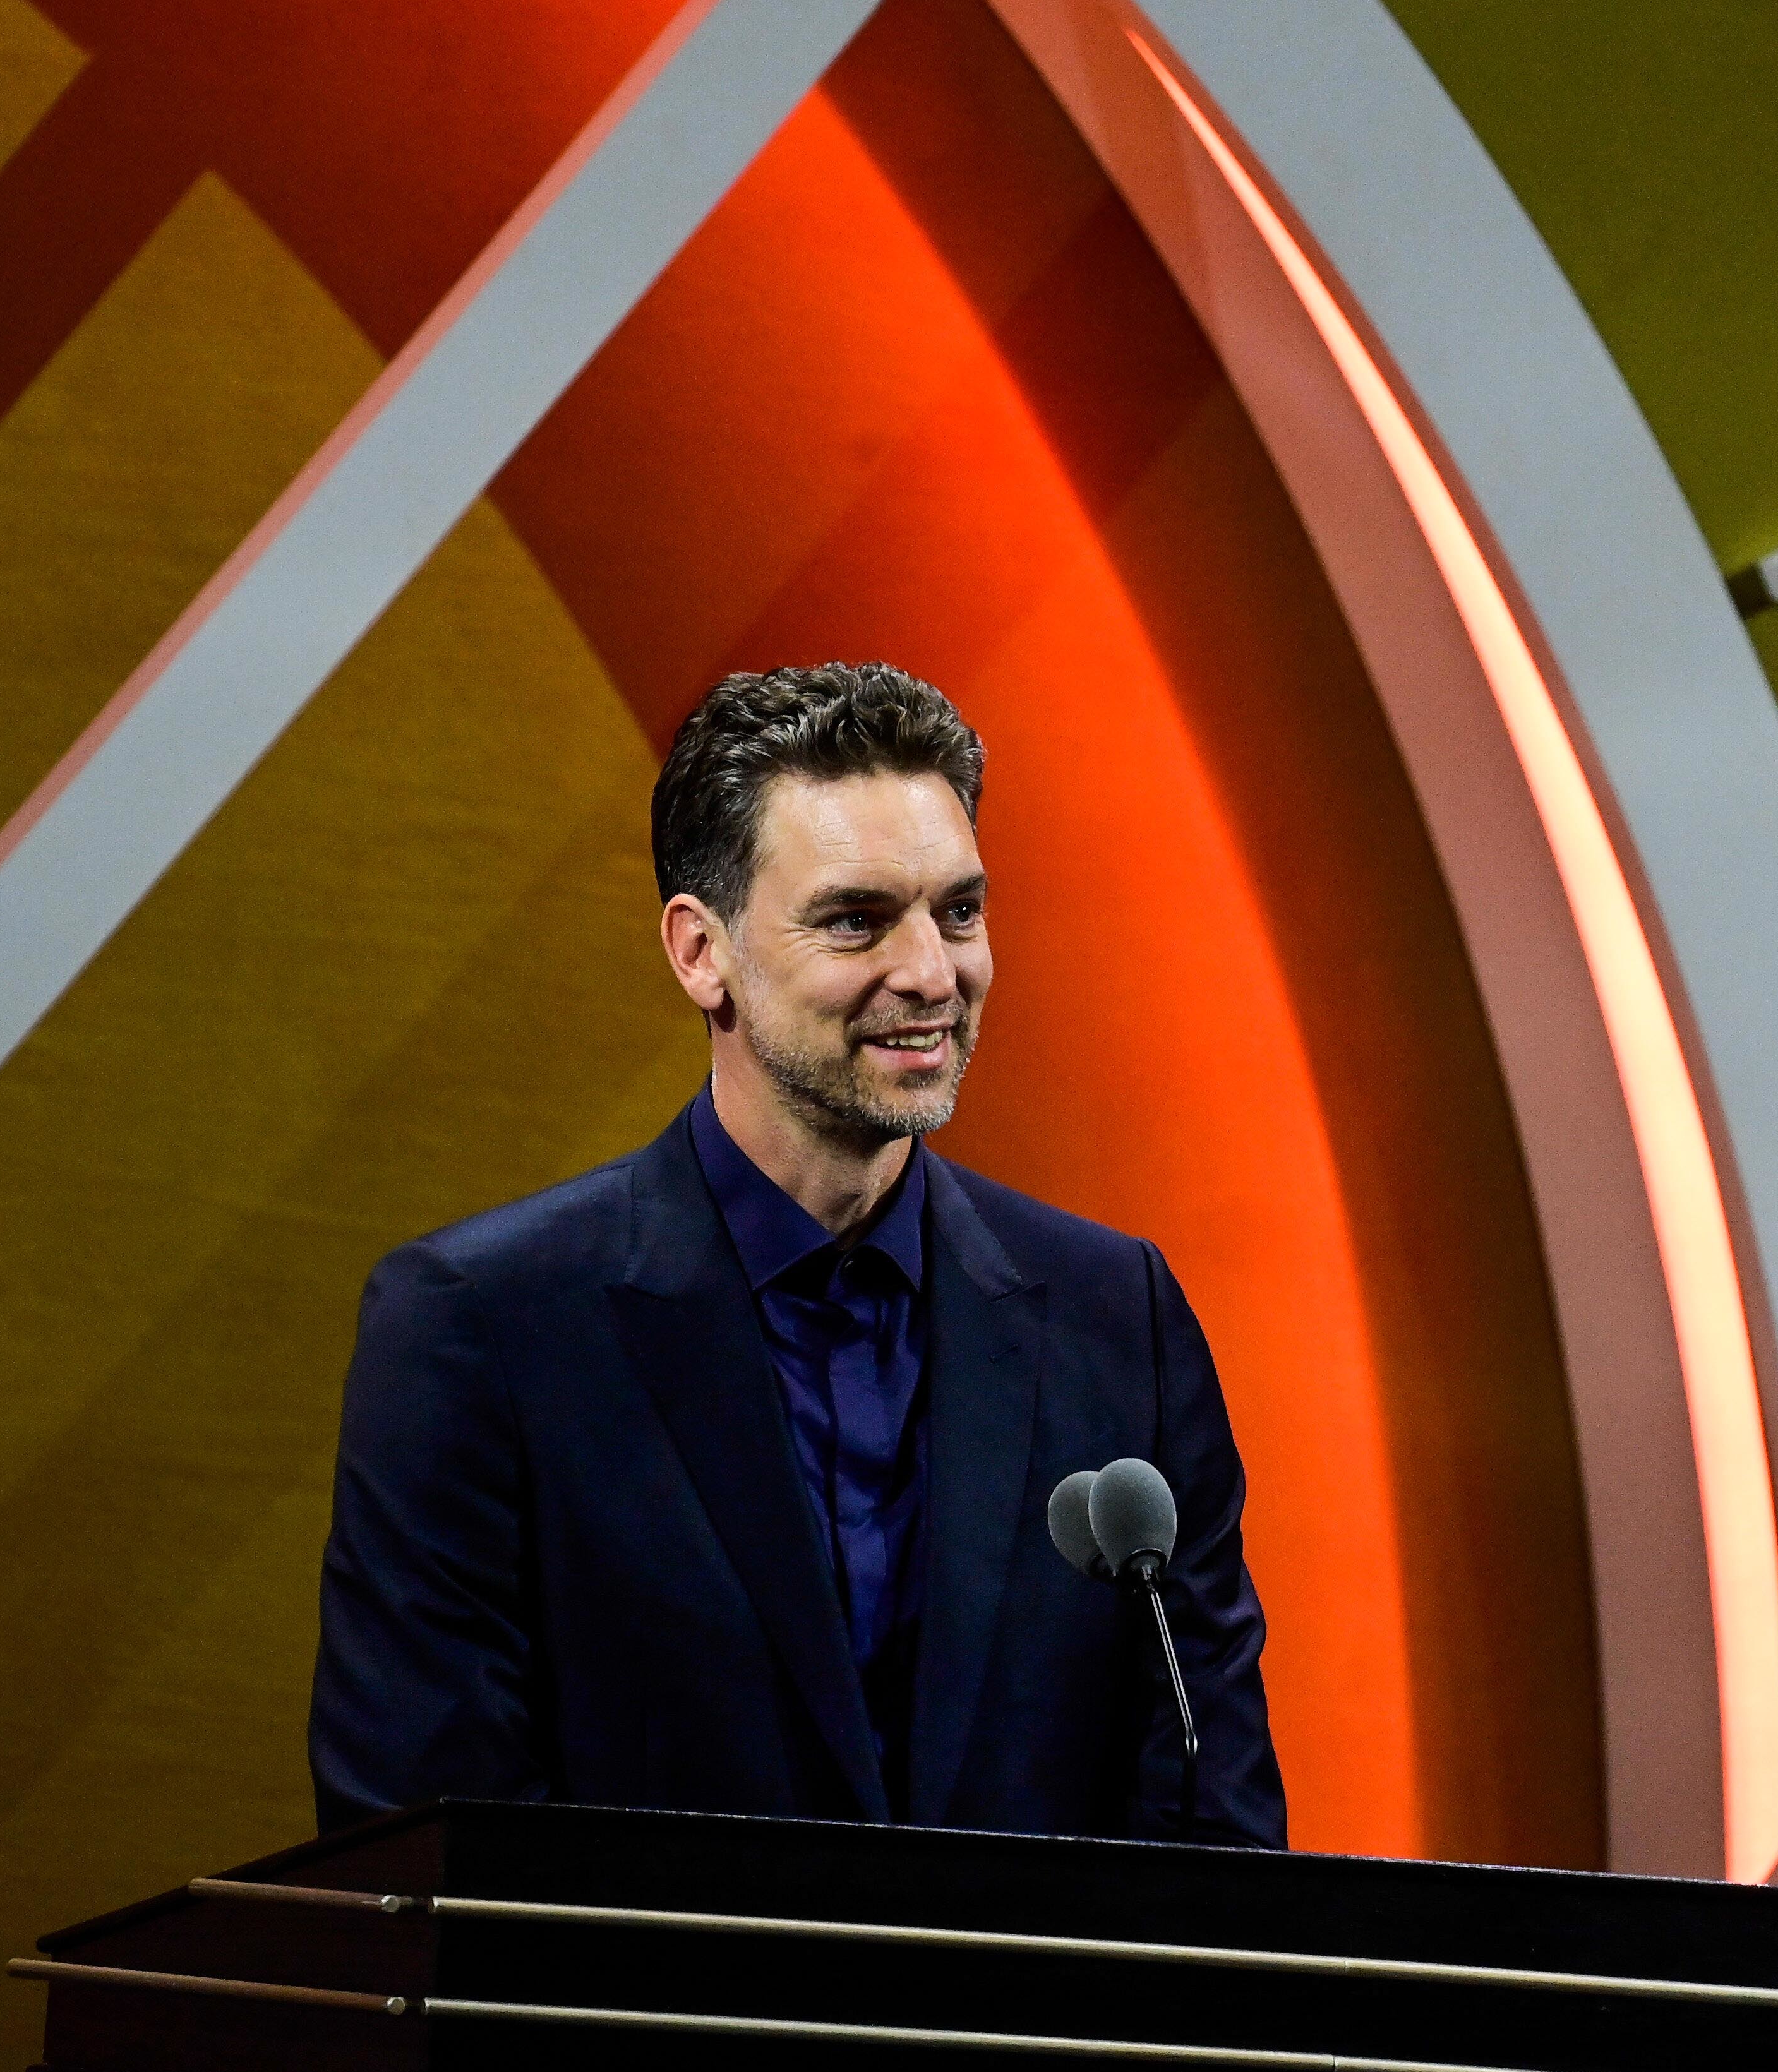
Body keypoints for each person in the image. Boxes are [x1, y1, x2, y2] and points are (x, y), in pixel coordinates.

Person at [310, 662, 1285, 1845]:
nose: (933, 973)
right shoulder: (482, 1327)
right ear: (699, 953)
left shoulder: (1115, 1318)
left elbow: (1214, 1823)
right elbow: (427, 1845)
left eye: (960, 911)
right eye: (857, 921)